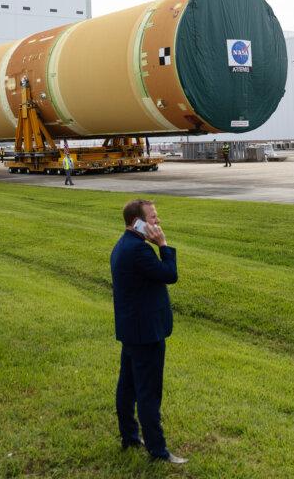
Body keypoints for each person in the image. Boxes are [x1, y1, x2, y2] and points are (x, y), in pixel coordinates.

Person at [110, 199, 184, 464]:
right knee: (148, 392)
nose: (158, 223)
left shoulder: (123, 245)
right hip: (146, 334)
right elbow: (169, 274)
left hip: (132, 330)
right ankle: (158, 449)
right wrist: (163, 245)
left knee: (128, 386)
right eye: (153, 218)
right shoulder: (139, 251)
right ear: (137, 222)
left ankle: (129, 436)